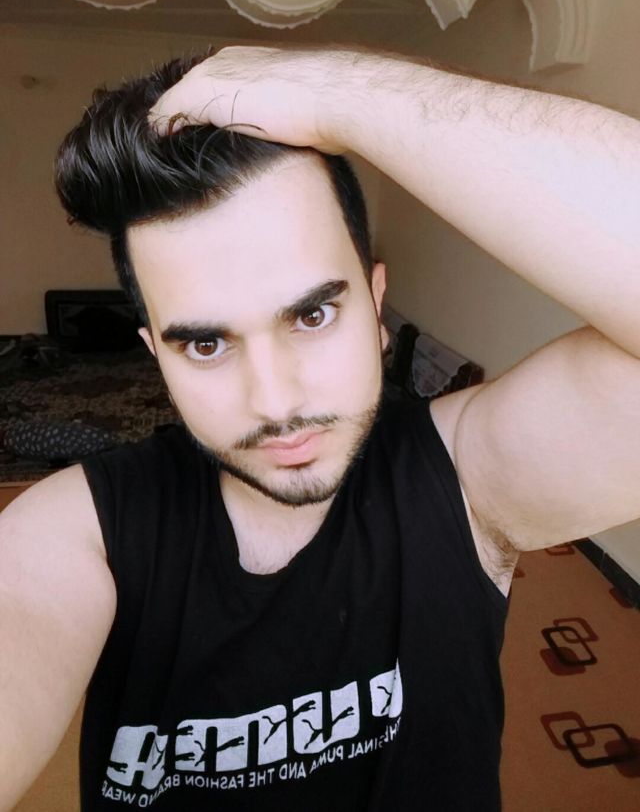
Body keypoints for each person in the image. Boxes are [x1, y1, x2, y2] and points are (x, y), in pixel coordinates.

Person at [1, 45, 639, 811]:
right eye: (205, 344)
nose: (274, 402)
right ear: (155, 353)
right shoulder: (73, 532)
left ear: (375, 305)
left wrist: (340, 92)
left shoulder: (468, 481)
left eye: (311, 315)